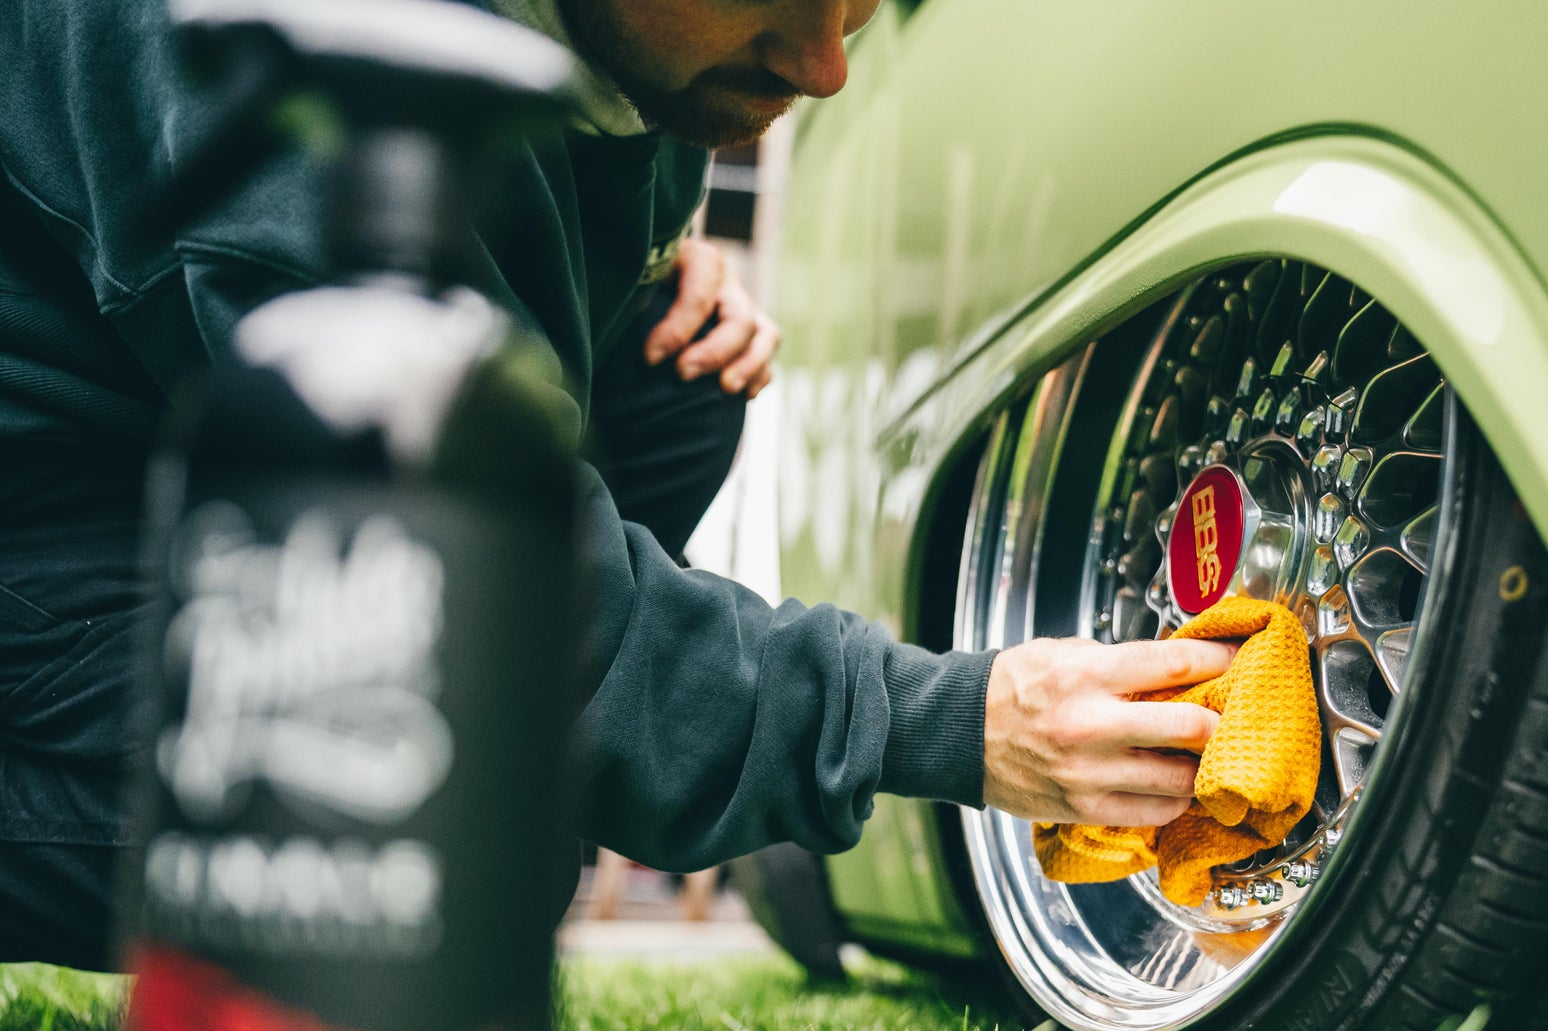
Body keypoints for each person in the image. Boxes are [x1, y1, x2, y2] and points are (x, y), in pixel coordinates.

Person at [0, 0, 1231, 971]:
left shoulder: (619, 53)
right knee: (459, 842)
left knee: (678, 376)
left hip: (152, 445)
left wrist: (648, 263)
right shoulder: (274, 77)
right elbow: (490, 582)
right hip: (34, 526)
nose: (824, 65)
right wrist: (953, 718)